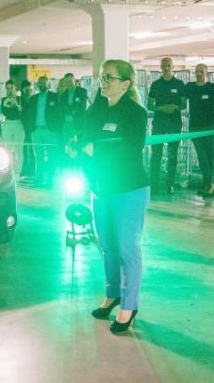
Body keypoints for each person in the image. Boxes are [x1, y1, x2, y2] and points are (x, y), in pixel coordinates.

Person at [81, 59, 149, 334]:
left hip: (129, 189)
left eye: (109, 77)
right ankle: (112, 294)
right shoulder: (98, 108)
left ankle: (129, 305)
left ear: (125, 84)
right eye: (101, 77)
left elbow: (131, 148)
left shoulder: (135, 113)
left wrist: (94, 150)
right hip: (101, 189)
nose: (104, 82)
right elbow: (84, 134)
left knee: (127, 248)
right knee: (107, 246)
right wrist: (78, 145)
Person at [147, 57, 187, 194]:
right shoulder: (156, 85)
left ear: (173, 67)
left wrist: (175, 107)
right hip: (159, 122)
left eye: (169, 65)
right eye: (164, 65)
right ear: (160, 67)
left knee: (172, 154)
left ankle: (170, 184)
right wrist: (161, 108)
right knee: (156, 154)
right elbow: (149, 105)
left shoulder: (179, 84)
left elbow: (184, 104)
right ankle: (153, 185)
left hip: (174, 122)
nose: (166, 68)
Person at [23, 75, 61, 186]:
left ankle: (50, 179)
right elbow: (29, 115)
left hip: (50, 131)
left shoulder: (54, 97)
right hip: (36, 131)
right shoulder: (33, 98)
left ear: (48, 84)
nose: (42, 85)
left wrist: (55, 129)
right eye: (40, 83)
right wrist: (30, 130)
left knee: (51, 155)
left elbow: (58, 114)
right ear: (37, 85)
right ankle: (39, 179)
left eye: (44, 83)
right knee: (38, 156)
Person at [185, 63, 214, 197]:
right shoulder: (190, 87)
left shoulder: (211, 88)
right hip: (195, 127)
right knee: (202, 157)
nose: (198, 74)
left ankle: (210, 184)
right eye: (196, 71)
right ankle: (209, 184)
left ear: (206, 72)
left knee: (211, 156)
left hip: (209, 128)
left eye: (201, 71)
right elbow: (180, 100)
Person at [1, 80, 24, 178]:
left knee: (19, 149)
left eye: (12, 88)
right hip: (8, 123)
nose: (10, 90)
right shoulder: (4, 100)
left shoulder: (20, 99)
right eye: (8, 88)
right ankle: (8, 170)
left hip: (18, 123)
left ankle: (18, 172)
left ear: (15, 88)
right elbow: (4, 113)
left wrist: (17, 105)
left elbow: (23, 113)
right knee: (7, 148)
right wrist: (5, 104)